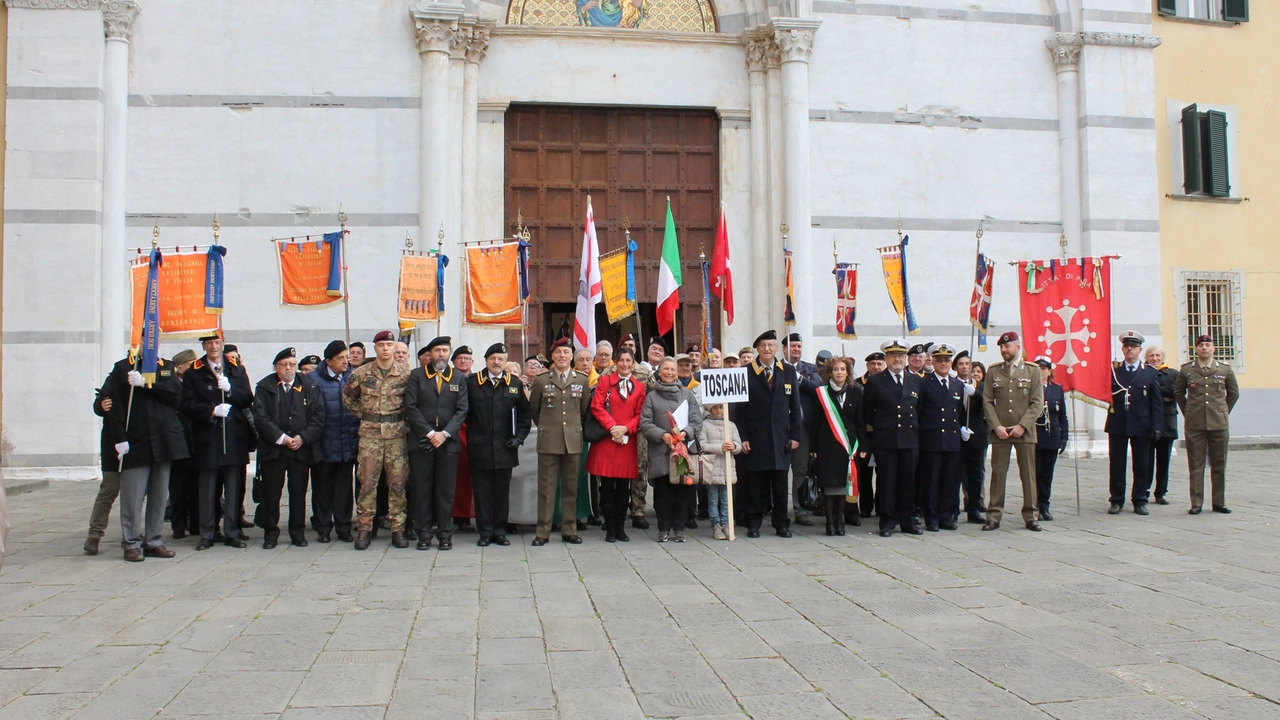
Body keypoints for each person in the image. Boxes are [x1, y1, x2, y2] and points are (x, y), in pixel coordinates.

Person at [100, 352, 189, 561]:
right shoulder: (123, 368)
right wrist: (119, 438)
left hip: (164, 440)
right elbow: (112, 405)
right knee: (133, 496)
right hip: (136, 441)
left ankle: (154, 540)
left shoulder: (166, 366)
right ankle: (131, 543)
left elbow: (176, 395)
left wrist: (148, 384)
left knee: (158, 496)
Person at [181, 335, 254, 550]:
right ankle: (208, 532)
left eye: (217, 343)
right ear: (203, 346)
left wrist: (230, 389)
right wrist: (211, 410)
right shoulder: (194, 371)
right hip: (208, 437)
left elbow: (247, 398)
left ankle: (232, 531)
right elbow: (186, 404)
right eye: (209, 344)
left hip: (233, 436)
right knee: (208, 488)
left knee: (233, 487)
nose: (214, 347)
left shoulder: (236, 369)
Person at [342, 331, 412, 550]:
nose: (385, 348)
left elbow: (412, 401)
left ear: (394, 348)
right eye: (381, 344)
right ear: (375, 348)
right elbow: (347, 397)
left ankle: (398, 529)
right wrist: (365, 415)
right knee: (367, 483)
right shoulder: (361, 373)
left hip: (396, 436)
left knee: (398, 483)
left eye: (389, 344)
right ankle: (364, 529)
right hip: (370, 436)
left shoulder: (405, 374)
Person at [251, 347, 325, 549]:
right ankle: (270, 533)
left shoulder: (308, 385)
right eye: (284, 365)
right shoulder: (265, 387)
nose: (288, 368)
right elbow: (260, 417)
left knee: (298, 492)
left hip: (299, 449)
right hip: (274, 449)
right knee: (272, 493)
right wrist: (281, 437)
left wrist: (303, 438)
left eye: (292, 364)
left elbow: (318, 417)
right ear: (277, 367)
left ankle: (297, 532)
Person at [734, 330, 802, 538]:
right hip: (756, 438)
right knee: (755, 484)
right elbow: (739, 410)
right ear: (757, 349)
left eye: (770, 345)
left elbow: (795, 404)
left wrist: (796, 435)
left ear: (776, 348)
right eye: (763, 345)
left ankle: (782, 523)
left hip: (781, 437)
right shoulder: (745, 372)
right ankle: (753, 523)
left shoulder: (787, 371)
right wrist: (743, 437)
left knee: (781, 484)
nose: (767, 349)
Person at [405, 336, 469, 550]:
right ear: (429, 354)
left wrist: (446, 433)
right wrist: (431, 433)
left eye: (445, 350)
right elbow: (411, 407)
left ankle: (444, 534)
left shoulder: (458, 377)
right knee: (422, 490)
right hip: (422, 443)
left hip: (448, 444)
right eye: (437, 351)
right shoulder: (417, 376)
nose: (441, 354)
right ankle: (423, 533)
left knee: (445, 490)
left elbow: (462, 410)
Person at [466, 343, 532, 546]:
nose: (496, 362)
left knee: (502, 493)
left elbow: (524, 415)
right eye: (493, 358)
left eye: (501, 359)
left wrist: (519, 438)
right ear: (486, 360)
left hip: (506, 447)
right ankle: (485, 532)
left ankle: (500, 531)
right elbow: (463, 413)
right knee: (482, 493)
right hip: (481, 447)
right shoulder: (472, 383)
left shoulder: (514, 383)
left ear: (505, 362)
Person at [528, 337, 591, 545]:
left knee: (571, 487)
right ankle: (543, 532)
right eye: (558, 353)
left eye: (566, 352)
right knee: (546, 488)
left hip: (572, 440)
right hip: (549, 440)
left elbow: (583, 410)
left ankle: (569, 529)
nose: (562, 356)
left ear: (571, 356)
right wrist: (548, 426)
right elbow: (535, 410)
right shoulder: (542, 380)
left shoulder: (581, 380)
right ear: (552, 356)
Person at [981, 331, 1044, 532]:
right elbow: (987, 401)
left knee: (1028, 474)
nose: (1004, 350)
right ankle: (994, 515)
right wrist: (996, 426)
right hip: (1001, 431)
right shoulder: (994, 371)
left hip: (1024, 431)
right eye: (1001, 347)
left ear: (1018, 346)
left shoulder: (1032, 370)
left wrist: (1022, 425)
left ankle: (1031, 514)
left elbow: (1037, 402)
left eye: (1007, 346)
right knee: (998, 474)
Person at [861, 340, 922, 537]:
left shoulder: (915, 381)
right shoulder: (876, 381)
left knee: (908, 482)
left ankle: (908, 520)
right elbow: (867, 412)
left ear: (905, 359)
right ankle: (887, 522)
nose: (897, 359)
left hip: (909, 439)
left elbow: (918, 410)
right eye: (893, 356)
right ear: (886, 358)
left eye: (901, 356)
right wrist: (873, 435)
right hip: (886, 440)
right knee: (886, 482)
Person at [1174, 334, 1240, 515]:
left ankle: (1219, 502)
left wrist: (1222, 411)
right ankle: (1196, 502)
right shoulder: (1187, 370)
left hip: (1219, 424)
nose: (1204, 348)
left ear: (1213, 348)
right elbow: (1178, 393)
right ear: (1195, 349)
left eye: (1208, 345)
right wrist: (1189, 411)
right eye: (1201, 345)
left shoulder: (1225, 370)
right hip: (1195, 424)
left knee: (1219, 464)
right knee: (1196, 464)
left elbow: (1233, 394)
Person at [640, 357, 703, 542]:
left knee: (682, 493)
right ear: (659, 372)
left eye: (672, 369)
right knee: (662, 494)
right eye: (665, 369)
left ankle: (680, 529)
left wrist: (685, 433)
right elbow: (645, 423)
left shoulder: (687, 394)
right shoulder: (651, 396)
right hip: (660, 450)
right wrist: (663, 435)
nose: (669, 372)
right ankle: (663, 529)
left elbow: (696, 421)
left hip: (682, 450)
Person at [587, 346, 646, 542]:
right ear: (615, 362)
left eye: (629, 361)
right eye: (621, 360)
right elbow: (596, 406)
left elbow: (640, 414)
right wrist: (613, 427)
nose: (625, 364)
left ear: (633, 363)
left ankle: (621, 528)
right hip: (606, 440)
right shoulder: (604, 381)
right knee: (606, 487)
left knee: (623, 488)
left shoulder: (639, 387)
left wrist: (625, 429)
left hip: (626, 443)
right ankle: (610, 528)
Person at [803, 356, 866, 536]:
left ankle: (841, 522)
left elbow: (860, 421)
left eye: (843, 369)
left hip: (849, 445)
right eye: (836, 369)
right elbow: (815, 421)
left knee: (844, 486)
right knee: (830, 487)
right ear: (830, 372)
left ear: (848, 372)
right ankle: (830, 523)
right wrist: (813, 448)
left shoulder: (855, 392)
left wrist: (863, 446)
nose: (840, 372)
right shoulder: (821, 393)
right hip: (827, 445)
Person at [1105, 331, 1164, 516]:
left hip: (1141, 424)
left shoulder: (1149, 373)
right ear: (1122, 349)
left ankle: (1140, 499)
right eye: (1126, 346)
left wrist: (1157, 426)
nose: (1129, 349)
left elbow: (1156, 402)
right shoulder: (1114, 371)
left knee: (1141, 463)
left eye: (1133, 347)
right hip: (1119, 423)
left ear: (1140, 349)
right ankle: (1116, 500)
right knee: (1117, 464)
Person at [311, 340, 359, 543]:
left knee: (344, 489)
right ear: (328, 361)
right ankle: (323, 528)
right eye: (340, 358)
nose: (345, 362)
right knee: (322, 488)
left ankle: (344, 527)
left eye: (346, 357)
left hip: (347, 441)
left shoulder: (352, 377)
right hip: (325, 442)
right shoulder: (313, 380)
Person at [918, 344, 966, 532]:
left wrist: (962, 428)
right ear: (933, 362)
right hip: (931, 439)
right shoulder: (923, 383)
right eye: (939, 360)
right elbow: (919, 411)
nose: (943, 364)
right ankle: (931, 518)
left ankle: (945, 516)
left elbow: (961, 412)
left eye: (947, 360)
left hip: (951, 440)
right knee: (931, 481)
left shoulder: (958, 385)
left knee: (949, 481)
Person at [783, 333, 820, 528]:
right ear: (784, 349)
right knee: (779, 469)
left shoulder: (809, 369)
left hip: (802, 429)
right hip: (780, 428)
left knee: (800, 469)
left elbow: (817, 389)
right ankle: (778, 508)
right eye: (792, 346)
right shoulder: (776, 368)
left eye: (799, 346)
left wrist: (797, 377)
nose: (796, 349)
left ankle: (799, 508)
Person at [167, 349, 200, 539]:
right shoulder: (172, 385)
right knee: (178, 489)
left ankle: (195, 524)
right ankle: (178, 526)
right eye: (190, 365)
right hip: (179, 444)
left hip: (196, 442)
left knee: (196, 488)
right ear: (180, 369)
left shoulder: (195, 384)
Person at [1033, 357, 1068, 521]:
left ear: (1050, 371)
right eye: (1038, 368)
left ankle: (1044, 505)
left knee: (1047, 474)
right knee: (1035, 473)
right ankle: (1034, 506)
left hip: (1052, 436)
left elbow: (1062, 415)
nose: (1041, 371)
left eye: (1044, 368)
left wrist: (1064, 436)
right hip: (1035, 436)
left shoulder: (1057, 389)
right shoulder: (1030, 388)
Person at [954, 351, 987, 524]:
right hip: (958, 436)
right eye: (961, 364)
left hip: (976, 437)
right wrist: (959, 427)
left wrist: (975, 393)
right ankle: (953, 510)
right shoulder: (952, 384)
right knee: (955, 476)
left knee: (975, 476)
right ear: (955, 367)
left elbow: (988, 406)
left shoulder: (980, 386)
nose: (965, 367)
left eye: (967, 364)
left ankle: (974, 509)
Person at [852, 351, 885, 520]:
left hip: (882, 436)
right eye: (873, 364)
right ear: (867, 366)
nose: (876, 367)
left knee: (884, 474)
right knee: (864, 474)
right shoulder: (857, 384)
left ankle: (881, 506)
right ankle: (865, 506)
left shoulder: (887, 383)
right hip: (864, 436)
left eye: (879, 364)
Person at [1145, 345, 1179, 505]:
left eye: (1158, 355)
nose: (1155, 358)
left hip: (1167, 422)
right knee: (1146, 461)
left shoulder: (1173, 374)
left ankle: (1161, 493)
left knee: (1164, 461)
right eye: (1151, 355)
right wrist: (1162, 394)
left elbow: (1176, 392)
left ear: (1163, 358)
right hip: (1147, 422)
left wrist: (1154, 392)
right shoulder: (1143, 373)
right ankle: (1143, 491)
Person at [449, 345, 476, 533]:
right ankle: (459, 515)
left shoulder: (477, 380)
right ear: (453, 362)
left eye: (467, 358)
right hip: (454, 430)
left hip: (475, 430)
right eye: (459, 358)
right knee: (457, 476)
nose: (463, 361)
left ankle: (473, 513)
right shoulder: (447, 380)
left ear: (472, 362)